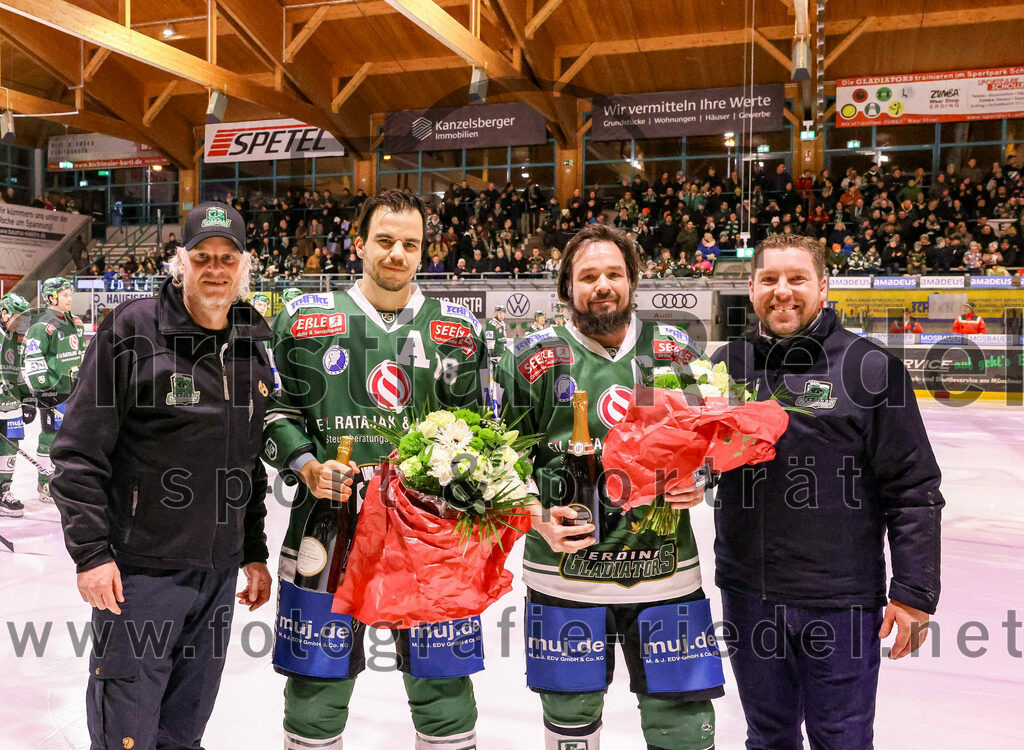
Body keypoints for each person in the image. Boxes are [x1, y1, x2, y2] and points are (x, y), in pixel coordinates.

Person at [262, 190, 490, 750]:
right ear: (360, 243)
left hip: (429, 530)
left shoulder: (459, 329)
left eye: (410, 244)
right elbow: (272, 412)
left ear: (423, 251)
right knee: (316, 683)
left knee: (443, 683)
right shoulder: (304, 319)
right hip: (327, 517)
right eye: (385, 241)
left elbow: (484, 426)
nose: (397, 254)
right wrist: (307, 464)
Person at [49, 201, 274, 749]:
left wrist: (252, 550)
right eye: (202, 258)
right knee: (127, 731)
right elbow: (78, 451)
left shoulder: (251, 343)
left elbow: (245, 462)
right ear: (181, 263)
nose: (215, 270)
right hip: (139, 576)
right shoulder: (132, 329)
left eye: (227, 258)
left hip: (216, 578)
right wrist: (92, 555)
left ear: (245, 266)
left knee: (184, 732)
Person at [711, 233, 943, 750]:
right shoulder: (729, 365)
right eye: (769, 279)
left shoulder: (872, 369)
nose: (782, 291)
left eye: (797, 279)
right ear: (751, 289)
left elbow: (913, 486)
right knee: (768, 737)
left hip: (840, 602)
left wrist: (914, 593)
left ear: (823, 287)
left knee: (841, 739)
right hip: (750, 594)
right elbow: (704, 457)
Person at [495, 224, 721, 750]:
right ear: (566, 290)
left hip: (665, 571)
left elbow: (714, 440)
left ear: (633, 280)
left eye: (614, 274)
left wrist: (703, 475)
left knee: (683, 721)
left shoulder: (676, 351)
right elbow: (500, 462)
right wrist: (535, 517)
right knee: (570, 720)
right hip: (565, 577)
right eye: (588, 276)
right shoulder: (529, 358)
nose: (603, 285)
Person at [22, 277, 85, 502]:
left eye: (70, 294)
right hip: (52, 391)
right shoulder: (40, 326)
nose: (69, 298)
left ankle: (66, 479)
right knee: (51, 436)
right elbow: (33, 358)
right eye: (65, 295)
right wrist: (42, 389)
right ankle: (44, 483)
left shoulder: (76, 322)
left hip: (74, 389)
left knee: (73, 437)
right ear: (51, 297)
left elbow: (80, 354)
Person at [1, 292, 33, 517]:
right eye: (17, 317)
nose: (21, 322)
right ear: (4, 313)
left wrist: (27, 398)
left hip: (10, 404)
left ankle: (4, 491)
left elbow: (17, 371)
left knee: (11, 447)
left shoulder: (15, 338)